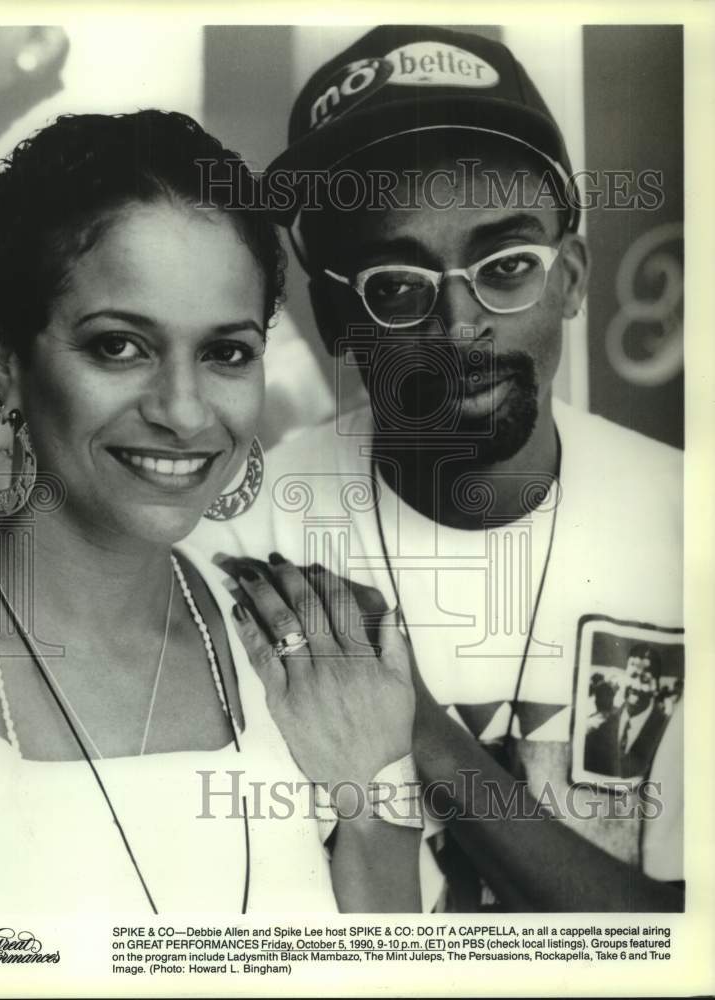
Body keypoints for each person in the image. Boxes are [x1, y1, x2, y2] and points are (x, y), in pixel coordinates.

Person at [196, 25, 684, 911]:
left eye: (508, 267)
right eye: (396, 285)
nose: (460, 326)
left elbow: (688, 941)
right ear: (336, 319)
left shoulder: (693, 528)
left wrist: (418, 726)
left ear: (573, 277)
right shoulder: (239, 541)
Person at [0, 109, 422, 914]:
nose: (185, 412)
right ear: (3, 355)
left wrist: (373, 803)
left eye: (225, 352)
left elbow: (392, 969)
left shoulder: (313, 647)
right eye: (119, 346)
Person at [584, 646, 670, 778]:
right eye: (633, 676)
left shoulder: (667, 730)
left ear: (656, 686)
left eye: (645, 679)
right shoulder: (601, 726)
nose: (636, 686)